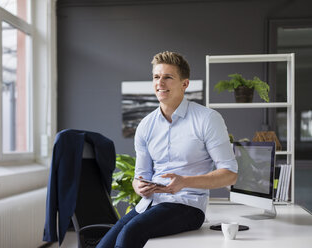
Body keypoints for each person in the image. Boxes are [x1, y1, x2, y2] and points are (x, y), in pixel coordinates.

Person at [96, 51, 238, 248]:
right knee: (103, 245)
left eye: (168, 77)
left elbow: (230, 174)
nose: (160, 83)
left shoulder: (208, 119)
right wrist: (139, 186)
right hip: (150, 204)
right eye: (156, 77)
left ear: (184, 84)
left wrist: (184, 182)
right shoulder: (146, 125)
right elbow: (140, 176)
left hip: (188, 205)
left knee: (130, 234)